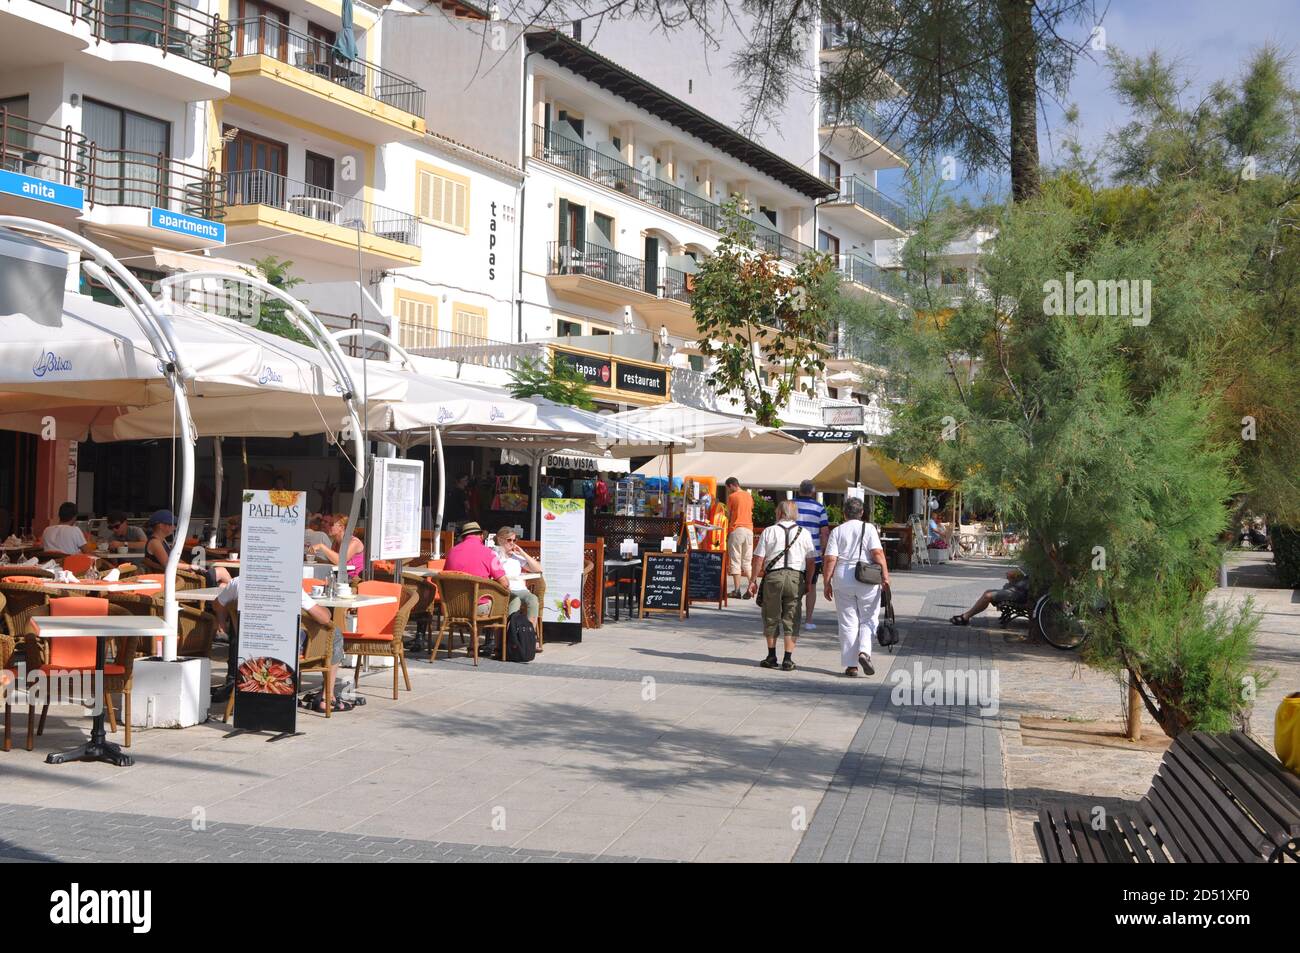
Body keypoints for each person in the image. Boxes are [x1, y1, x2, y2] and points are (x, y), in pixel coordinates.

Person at [212, 575, 339, 710]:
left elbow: (217, 604)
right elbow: (324, 619)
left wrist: (222, 624)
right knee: (335, 634)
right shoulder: (288, 583)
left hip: (248, 646)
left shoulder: (238, 582)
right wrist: (327, 611)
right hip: (282, 648)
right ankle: (327, 698)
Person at [823, 497, 890, 677]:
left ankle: (851, 665)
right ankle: (864, 652)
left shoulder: (837, 531)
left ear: (844, 513)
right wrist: (885, 575)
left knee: (847, 622)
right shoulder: (869, 528)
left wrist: (826, 582)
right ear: (861, 513)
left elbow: (830, 559)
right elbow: (877, 553)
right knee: (869, 618)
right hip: (866, 577)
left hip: (842, 578)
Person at [750, 499, 815, 671]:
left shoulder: (769, 531)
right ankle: (788, 659)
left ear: (779, 513)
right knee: (792, 617)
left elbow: (758, 559)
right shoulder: (804, 533)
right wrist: (808, 582)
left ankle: (771, 656)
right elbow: (811, 561)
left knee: (771, 616)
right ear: (795, 514)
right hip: (795, 577)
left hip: (773, 577)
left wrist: (752, 580)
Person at [145, 510, 232, 586]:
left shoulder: (161, 540)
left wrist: (188, 566)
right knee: (222, 571)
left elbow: (175, 560)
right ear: (160, 525)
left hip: (178, 577)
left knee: (223, 585)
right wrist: (190, 566)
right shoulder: (155, 542)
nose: (174, 527)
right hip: (178, 580)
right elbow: (168, 564)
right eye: (171, 524)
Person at [793, 480, 830, 630]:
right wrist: (823, 551)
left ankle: (792, 618)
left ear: (799, 490)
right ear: (813, 492)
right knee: (812, 586)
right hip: (812, 552)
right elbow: (824, 532)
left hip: (792, 551)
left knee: (793, 585)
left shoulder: (790, 505)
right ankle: (808, 620)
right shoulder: (819, 508)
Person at [493, 525, 543, 637]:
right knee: (515, 601)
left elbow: (539, 569)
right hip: (504, 588)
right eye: (509, 540)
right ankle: (511, 636)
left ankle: (528, 636)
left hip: (520, 589)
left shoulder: (515, 557)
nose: (512, 543)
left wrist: (522, 552)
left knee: (533, 599)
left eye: (514, 540)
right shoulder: (495, 555)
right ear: (500, 540)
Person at [950, 568, 1029, 625]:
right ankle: (966, 616)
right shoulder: (1029, 562)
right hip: (1015, 589)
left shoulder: (1035, 565)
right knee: (988, 592)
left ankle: (965, 617)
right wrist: (1012, 577)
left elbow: (1025, 582)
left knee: (988, 596)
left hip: (1018, 593)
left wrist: (1013, 576)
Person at [725, 477, 755, 598]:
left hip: (737, 529)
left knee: (735, 560)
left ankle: (737, 590)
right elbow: (750, 511)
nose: (728, 491)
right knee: (747, 562)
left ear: (732, 485)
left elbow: (729, 514)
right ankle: (752, 587)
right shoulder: (749, 496)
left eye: (728, 488)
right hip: (749, 530)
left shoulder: (732, 497)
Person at [310, 514, 365, 578]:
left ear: (341, 527)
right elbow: (332, 562)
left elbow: (340, 561)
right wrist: (315, 559)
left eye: (331, 524)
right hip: (342, 577)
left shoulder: (354, 542)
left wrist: (321, 546)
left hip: (355, 580)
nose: (327, 526)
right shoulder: (335, 542)